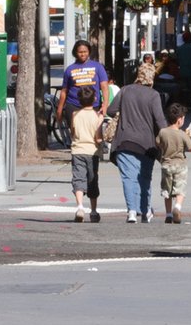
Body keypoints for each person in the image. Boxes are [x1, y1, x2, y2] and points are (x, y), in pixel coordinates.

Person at [106, 54, 168, 222]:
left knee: (128, 177)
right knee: (145, 178)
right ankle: (145, 210)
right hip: (147, 144)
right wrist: (168, 138)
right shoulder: (153, 95)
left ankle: (131, 211)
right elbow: (160, 121)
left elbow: (110, 111)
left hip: (124, 140)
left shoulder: (125, 90)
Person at [156, 98, 191, 224]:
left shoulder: (163, 132)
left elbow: (158, 143)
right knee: (180, 190)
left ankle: (169, 214)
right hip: (180, 165)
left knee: (167, 191)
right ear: (180, 119)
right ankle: (178, 207)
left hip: (166, 165)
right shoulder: (182, 134)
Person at [55, 38, 111, 136]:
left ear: (89, 52)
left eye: (85, 52)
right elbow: (64, 91)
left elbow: (104, 87)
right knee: (76, 134)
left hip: (93, 105)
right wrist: (59, 109)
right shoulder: (70, 69)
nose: (83, 54)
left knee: (94, 133)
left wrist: (105, 105)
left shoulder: (98, 67)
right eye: (80, 52)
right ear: (75, 53)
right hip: (73, 105)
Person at [68, 86, 104, 222]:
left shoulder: (75, 115)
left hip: (77, 150)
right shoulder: (96, 116)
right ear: (94, 99)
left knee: (78, 179)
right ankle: (93, 211)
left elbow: (73, 132)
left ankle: (80, 207)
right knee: (92, 180)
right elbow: (98, 138)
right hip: (92, 152)